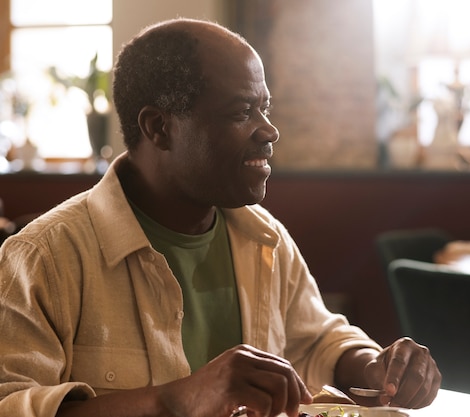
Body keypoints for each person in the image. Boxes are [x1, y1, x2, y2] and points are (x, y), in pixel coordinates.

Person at [0, 18, 441, 417]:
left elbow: (319, 340)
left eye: (264, 107)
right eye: (241, 111)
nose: (269, 130)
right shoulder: (44, 258)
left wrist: (377, 368)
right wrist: (175, 399)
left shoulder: (264, 239)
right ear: (158, 128)